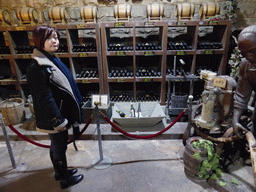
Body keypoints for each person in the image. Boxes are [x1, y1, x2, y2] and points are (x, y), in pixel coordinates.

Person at [26, 25, 84, 189]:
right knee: (59, 147)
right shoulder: (37, 66)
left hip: (60, 112)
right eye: (49, 38)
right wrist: (57, 120)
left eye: (56, 37)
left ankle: (60, 171)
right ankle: (65, 179)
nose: (55, 41)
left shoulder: (50, 58)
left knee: (58, 145)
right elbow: (44, 98)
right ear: (39, 41)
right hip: (55, 116)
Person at [232, 25, 256, 139]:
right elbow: (242, 95)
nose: (248, 57)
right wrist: (235, 120)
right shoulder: (246, 64)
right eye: (244, 53)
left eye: (252, 52)